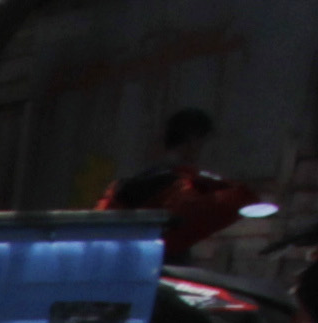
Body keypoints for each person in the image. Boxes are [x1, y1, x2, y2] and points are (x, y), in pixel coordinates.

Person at [106, 109, 258, 259]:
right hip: (159, 262)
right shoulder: (178, 184)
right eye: (205, 142)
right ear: (193, 140)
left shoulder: (147, 177)